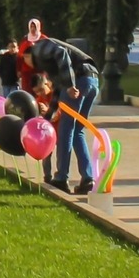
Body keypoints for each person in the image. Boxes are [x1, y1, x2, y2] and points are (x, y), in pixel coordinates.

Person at [30, 33, 101, 195]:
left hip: (79, 79)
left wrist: (70, 84)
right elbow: (57, 94)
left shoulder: (39, 47)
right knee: (77, 131)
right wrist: (46, 120)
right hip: (92, 80)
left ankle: (61, 178)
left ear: (28, 54)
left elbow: (61, 52)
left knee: (65, 130)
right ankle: (88, 179)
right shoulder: (51, 67)